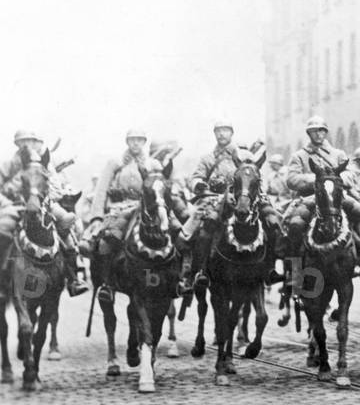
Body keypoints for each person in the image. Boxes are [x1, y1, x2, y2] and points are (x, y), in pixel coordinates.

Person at [178, 121, 282, 293]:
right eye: (218, 131)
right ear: (214, 134)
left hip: (248, 196)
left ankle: (269, 269)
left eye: (225, 130)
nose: (222, 134)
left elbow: (255, 174)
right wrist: (201, 184)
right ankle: (200, 271)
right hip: (215, 198)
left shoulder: (244, 154)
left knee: (273, 222)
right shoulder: (208, 158)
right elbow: (196, 176)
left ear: (231, 133)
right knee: (206, 226)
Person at [282, 116, 360, 283]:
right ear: (309, 133)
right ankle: (294, 272)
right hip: (309, 198)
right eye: (315, 131)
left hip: (336, 196)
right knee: (295, 225)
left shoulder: (338, 154)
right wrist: (317, 180)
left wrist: (336, 180)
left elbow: (349, 174)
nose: (319, 134)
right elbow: (291, 179)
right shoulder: (300, 156)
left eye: (322, 130)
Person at [0, 130, 88, 295]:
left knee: (67, 223)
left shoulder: (43, 164)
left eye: (30, 141)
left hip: (44, 204)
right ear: (17, 144)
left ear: (34, 143)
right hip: (15, 205)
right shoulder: (9, 164)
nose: (26, 144)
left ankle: (74, 275)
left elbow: (56, 187)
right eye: (22, 141)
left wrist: (47, 195)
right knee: (3, 231)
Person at [82, 129, 166, 300]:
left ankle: (176, 279)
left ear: (144, 142)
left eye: (139, 140)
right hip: (120, 208)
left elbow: (160, 188)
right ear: (127, 142)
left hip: (146, 208)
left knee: (171, 233)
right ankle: (107, 284)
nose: (136, 143)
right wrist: (97, 217)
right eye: (132, 140)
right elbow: (101, 190)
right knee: (107, 239)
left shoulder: (153, 164)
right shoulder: (115, 163)